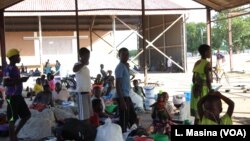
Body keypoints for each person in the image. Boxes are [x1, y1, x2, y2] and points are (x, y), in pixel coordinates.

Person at [3, 48, 31, 141]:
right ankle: (12, 138)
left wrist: (20, 80)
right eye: (18, 56)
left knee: (26, 115)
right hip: (12, 97)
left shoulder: (15, 68)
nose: (19, 58)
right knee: (12, 119)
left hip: (18, 96)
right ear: (12, 57)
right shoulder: (8, 68)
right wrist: (21, 80)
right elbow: (6, 83)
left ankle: (14, 134)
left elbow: (13, 80)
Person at [115, 47, 138, 133]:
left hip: (126, 96)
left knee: (132, 117)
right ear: (119, 56)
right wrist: (122, 101)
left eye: (127, 54)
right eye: (123, 54)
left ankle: (131, 134)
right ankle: (123, 135)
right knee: (124, 120)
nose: (126, 56)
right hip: (122, 97)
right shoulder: (120, 67)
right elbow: (117, 85)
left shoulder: (125, 66)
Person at [191, 44, 212, 124]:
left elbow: (193, 79)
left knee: (197, 113)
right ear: (205, 52)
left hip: (195, 90)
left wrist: (197, 85)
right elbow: (208, 80)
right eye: (209, 51)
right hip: (203, 90)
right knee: (204, 112)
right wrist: (210, 90)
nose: (210, 53)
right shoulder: (207, 64)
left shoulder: (197, 63)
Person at [73, 47, 92, 121]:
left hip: (87, 93)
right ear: (81, 56)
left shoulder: (85, 67)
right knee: (83, 117)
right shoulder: (78, 64)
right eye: (87, 56)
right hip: (81, 93)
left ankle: (86, 130)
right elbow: (74, 69)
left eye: (89, 56)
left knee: (88, 115)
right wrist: (83, 62)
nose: (88, 58)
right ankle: (83, 131)